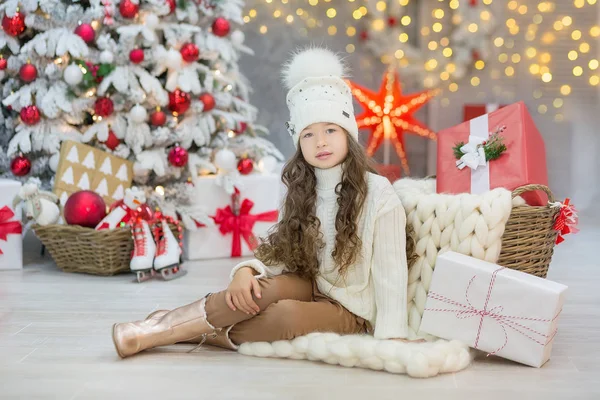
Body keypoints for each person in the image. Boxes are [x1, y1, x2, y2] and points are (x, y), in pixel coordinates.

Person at [112, 47, 410, 358]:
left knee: (285, 317)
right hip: (311, 283)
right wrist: (247, 271)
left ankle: (177, 330)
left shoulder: (377, 192)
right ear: (299, 143)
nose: (320, 142)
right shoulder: (302, 188)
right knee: (262, 290)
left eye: (330, 130)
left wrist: (391, 336)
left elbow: (391, 271)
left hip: (351, 308)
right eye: (308, 135)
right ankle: (154, 329)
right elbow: (281, 250)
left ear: (348, 134)